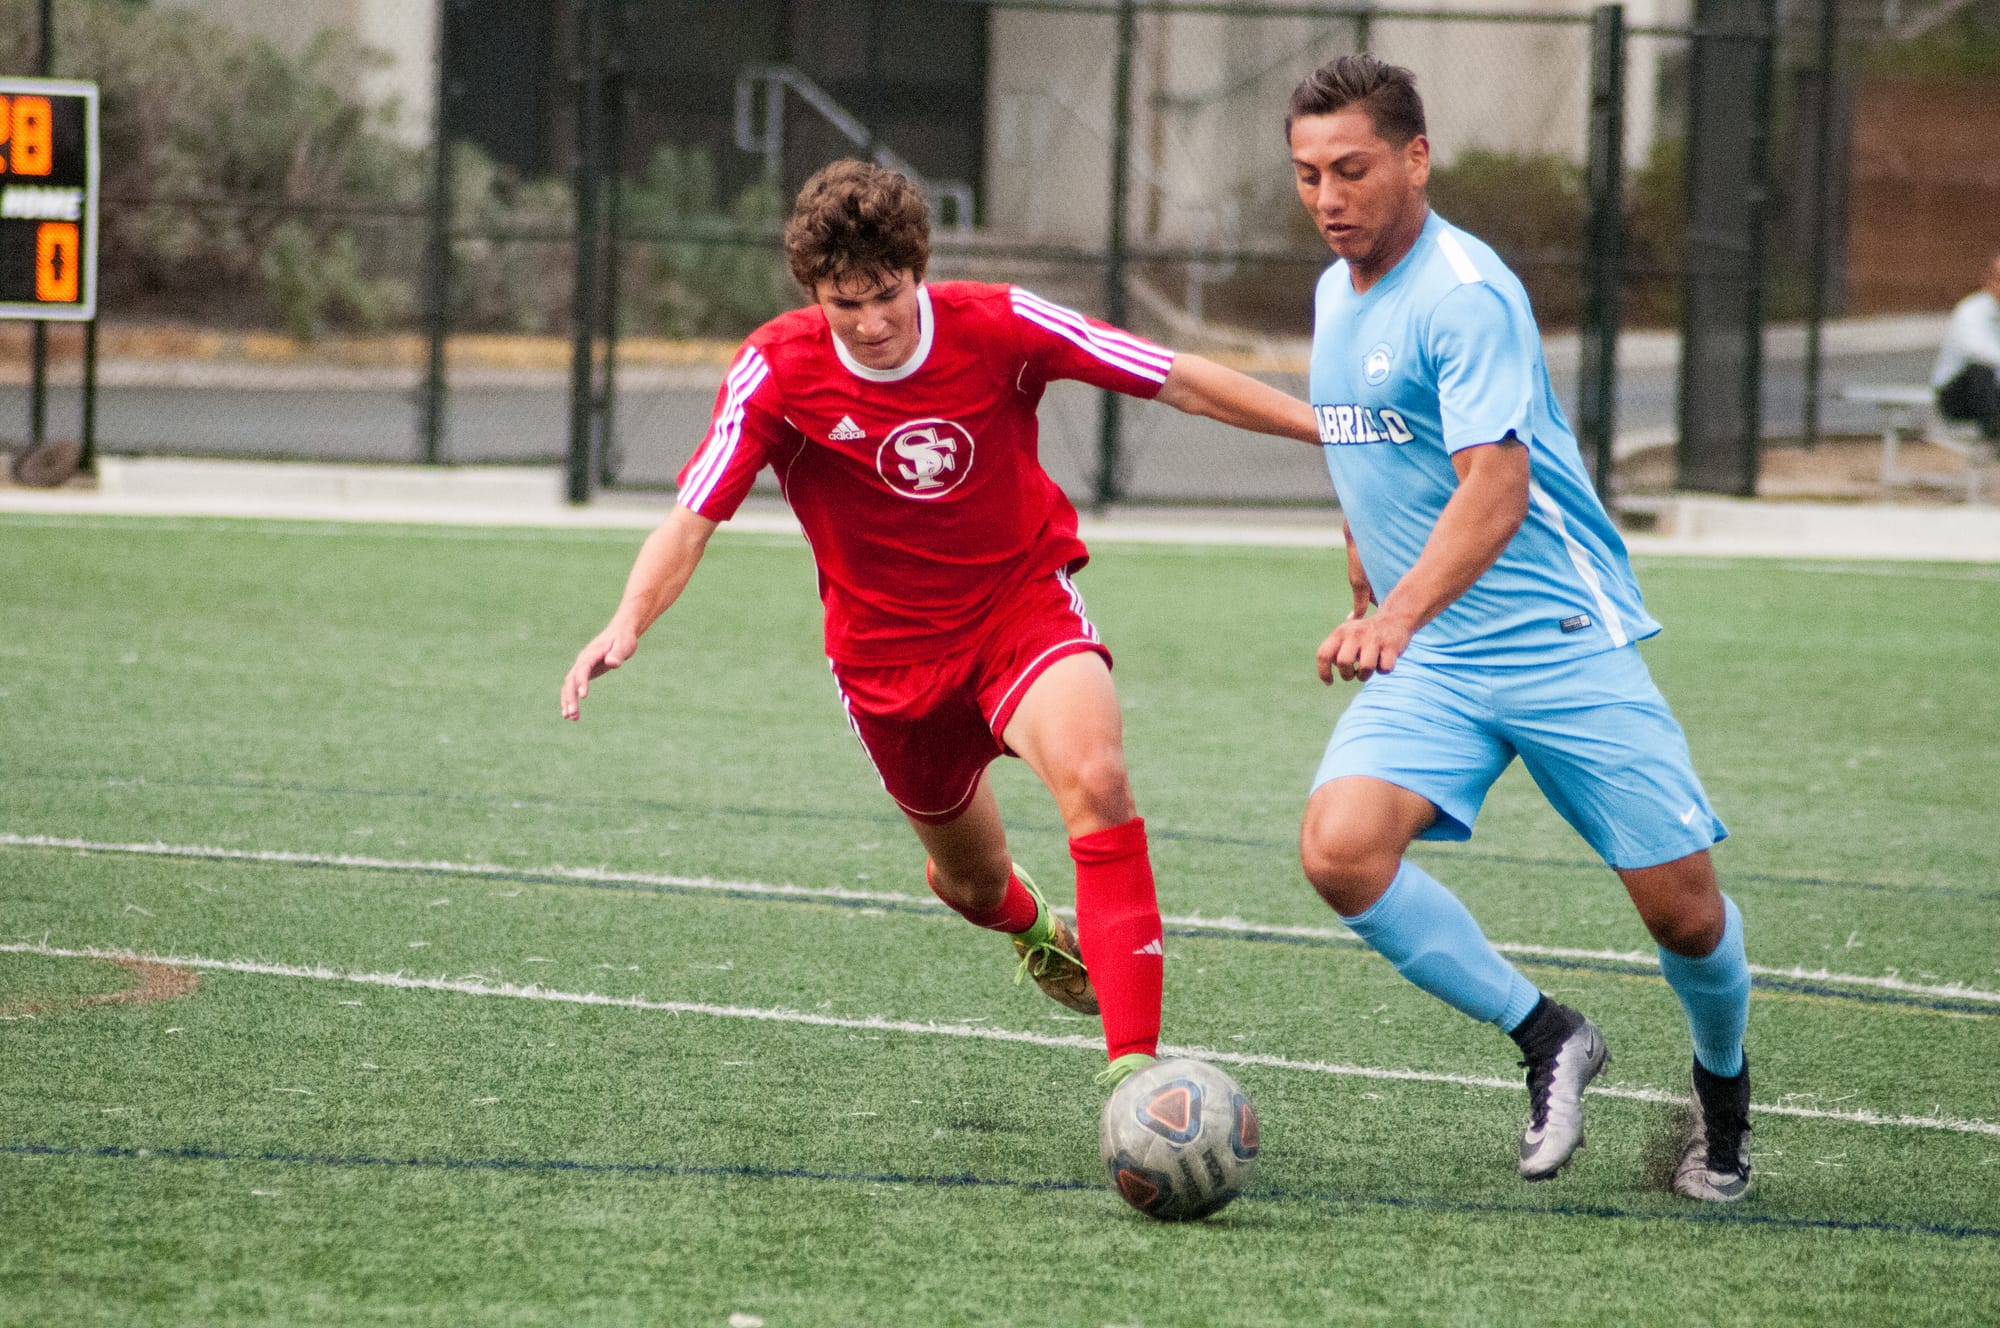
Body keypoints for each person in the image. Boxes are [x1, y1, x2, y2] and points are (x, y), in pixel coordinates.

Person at [561, 159, 1320, 1091]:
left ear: (919, 272)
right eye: (847, 302)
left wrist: (1326, 429)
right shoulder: (775, 368)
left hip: (1018, 609)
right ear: (814, 291)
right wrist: (626, 619)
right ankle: (1033, 928)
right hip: (887, 668)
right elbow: (692, 519)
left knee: (1099, 778)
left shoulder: (1001, 323)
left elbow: (1176, 378)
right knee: (969, 883)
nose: (872, 322)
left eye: (888, 294)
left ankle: (1138, 1078)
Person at [1284, 55, 1754, 1201]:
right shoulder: (1329, 293)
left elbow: (1490, 488)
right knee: (1339, 850)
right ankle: (1547, 1034)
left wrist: (1391, 613)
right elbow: (1365, 443)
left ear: (1413, 156)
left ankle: (1722, 1093)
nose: (1327, 198)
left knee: (1681, 911)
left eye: (1348, 169)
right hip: (1435, 650)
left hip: (1552, 634)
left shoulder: (1462, 291)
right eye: (1304, 176)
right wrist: (1363, 570)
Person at [1932, 252, 2000, 440]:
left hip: (1993, 392)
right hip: (1957, 394)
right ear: (1988, 281)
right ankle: (1995, 436)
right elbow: (1978, 351)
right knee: (1980, 371)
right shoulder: (1971, 311)